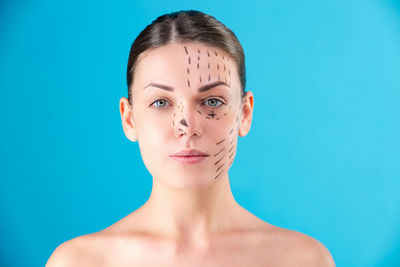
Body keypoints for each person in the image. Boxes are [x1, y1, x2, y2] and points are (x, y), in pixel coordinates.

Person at [46, 10, 335, 266]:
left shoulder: (301, 260)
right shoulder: (79, 262)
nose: (188, 126)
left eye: (212, 102)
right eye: (161, 102)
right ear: (129, 118)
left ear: (244, 114)